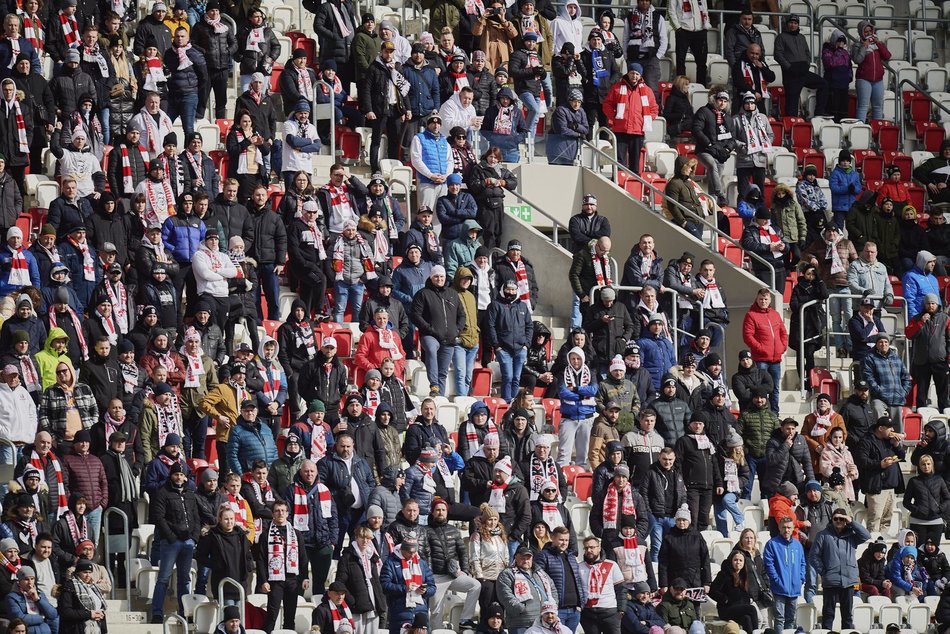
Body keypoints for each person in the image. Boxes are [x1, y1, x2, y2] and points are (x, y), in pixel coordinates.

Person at [254, 499, 309, 632]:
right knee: (272, 615)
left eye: (283, 510)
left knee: (290, 616)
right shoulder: (266, 535)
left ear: (288, 513)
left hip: (292, 580)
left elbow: (303, 557)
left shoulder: (296, 533)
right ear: (273, 514)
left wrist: (305, 577)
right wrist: (263, 580)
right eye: (277, 511)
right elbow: (261, 560)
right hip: (274, 580)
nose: (280, 513)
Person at [411, 265, 465, 397]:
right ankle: (433, 384)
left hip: (449, 338)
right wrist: (429, 329)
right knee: (431, 349)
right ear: (431, 277)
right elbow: (415, 315)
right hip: (430, 335)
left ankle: (438, 397)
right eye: (436, 276)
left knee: (443, 372)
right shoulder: (423, 293)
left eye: (441, 276)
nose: (439, 279)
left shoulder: (452, 294)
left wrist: (457, 330)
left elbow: (462, 315)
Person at [602, 63, 656, 174]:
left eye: (637, 74)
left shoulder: (647, 91)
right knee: (619, 161)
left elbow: (654, 109)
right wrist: (615, 118)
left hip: (637, 131)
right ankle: (618, 183)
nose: (634, 76)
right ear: (628, 73)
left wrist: (644, 120)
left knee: (635, 163)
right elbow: (607, 105)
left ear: (640, 76)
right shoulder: (617, 87)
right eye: (632, 73)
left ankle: (633, 185)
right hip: (620, 130)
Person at [379, 537, 436, 634]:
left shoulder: (421, 564)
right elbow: (384, 585)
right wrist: (404, 588)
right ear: (402, 549)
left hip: (420, 611)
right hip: (399, 610)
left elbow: (432, 587)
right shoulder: (390, 563)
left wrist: (424, 591)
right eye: (409, 552)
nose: (412, 555)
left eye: (414, 552)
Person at [709, 550, 761, 634]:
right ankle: (757, 632)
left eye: (741, 560)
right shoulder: (723, 574)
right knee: (751, 609)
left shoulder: (744, 575)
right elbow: (712, 591)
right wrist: (725, 599)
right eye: (735, 560)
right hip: (726, 609)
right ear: (731, 561)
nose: (738, 562)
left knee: (746, 618)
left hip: (740, 608)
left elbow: (746, 594)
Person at [903, 453, 950, 547]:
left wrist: (940, 509)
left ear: (932, 465)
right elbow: (906, 502)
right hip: (917, 521)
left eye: (928, 464)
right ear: (919, 466)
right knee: (919, 551)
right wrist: (917, 510)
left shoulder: (939, 479)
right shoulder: (913, 481)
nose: (926, 466)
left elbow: (947, 498)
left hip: (936, 521)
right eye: (923, 464)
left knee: (934, 550)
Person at [852, 21, 891, 122]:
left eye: (870, 31)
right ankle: (860, 130)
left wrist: (878, 43)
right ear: (861, 32)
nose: (869, 33)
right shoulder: (857, 45)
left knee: (878, 106)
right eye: (866, 32)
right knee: (863, 106)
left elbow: (887, 56)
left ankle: (877, 130)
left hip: (878, 80)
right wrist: (864, 47)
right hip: (864, 79)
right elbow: (857, 60)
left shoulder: (878, 44)